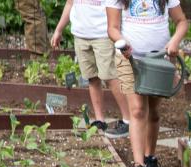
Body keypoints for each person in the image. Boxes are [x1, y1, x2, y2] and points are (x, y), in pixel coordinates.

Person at [105, 0, 188, 167]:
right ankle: (139, 165)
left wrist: (174, 42)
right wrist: (123, 43)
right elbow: (112, 28)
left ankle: (150, 156)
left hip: (160, 60)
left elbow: (182, 21)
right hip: (129, 59)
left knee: (153, 112)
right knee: (137, 110)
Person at [51, 0, 131, 138]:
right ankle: (100, 119)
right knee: (92, 78)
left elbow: (117, 6)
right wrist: (58, 29)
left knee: (110, 77)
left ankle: (129, 120)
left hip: (103, 35)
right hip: (80, 35)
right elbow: (70, 3)